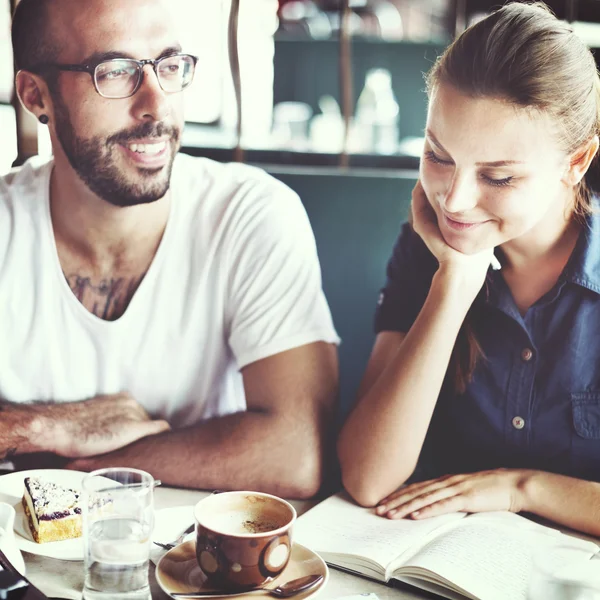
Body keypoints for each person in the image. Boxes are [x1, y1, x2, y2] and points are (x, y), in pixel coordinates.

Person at [0, 0, 340, 498]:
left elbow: (296, 453)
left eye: (169, 65)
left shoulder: (248, 213)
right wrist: (45, 425)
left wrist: (79, 460)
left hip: (199, 564)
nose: (157, 106)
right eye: (114, 72)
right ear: (36, 94)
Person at [338, 1, 600, 535]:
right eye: (438, 155)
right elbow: (367, 476)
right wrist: (454, 284)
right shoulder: (427, 251)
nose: (454, 202)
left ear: (575, 163)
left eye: (498, 177)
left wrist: (520, 487)